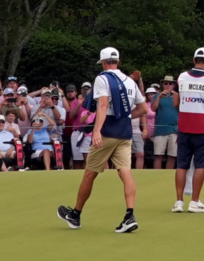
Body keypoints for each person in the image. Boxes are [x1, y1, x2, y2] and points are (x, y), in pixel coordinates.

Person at [55, 47, 142, 234]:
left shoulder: (102, 78)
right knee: (125, 172)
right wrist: (125, 116)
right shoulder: (130, 81)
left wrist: (96, 131)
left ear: (103, 62)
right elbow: (142, 109)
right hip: (125, 132)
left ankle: (75, 215)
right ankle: (130, 215)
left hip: (107, 131)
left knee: (90, 173)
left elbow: (102, 105)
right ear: (118, 61)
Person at [172, 46, 204, 213]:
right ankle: (194, 201)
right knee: (200, 165)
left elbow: (176, 103)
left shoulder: (182, 77)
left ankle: (179, 202)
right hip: (202, 127)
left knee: (182, 165)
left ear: (194, 60)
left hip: (184, 126)